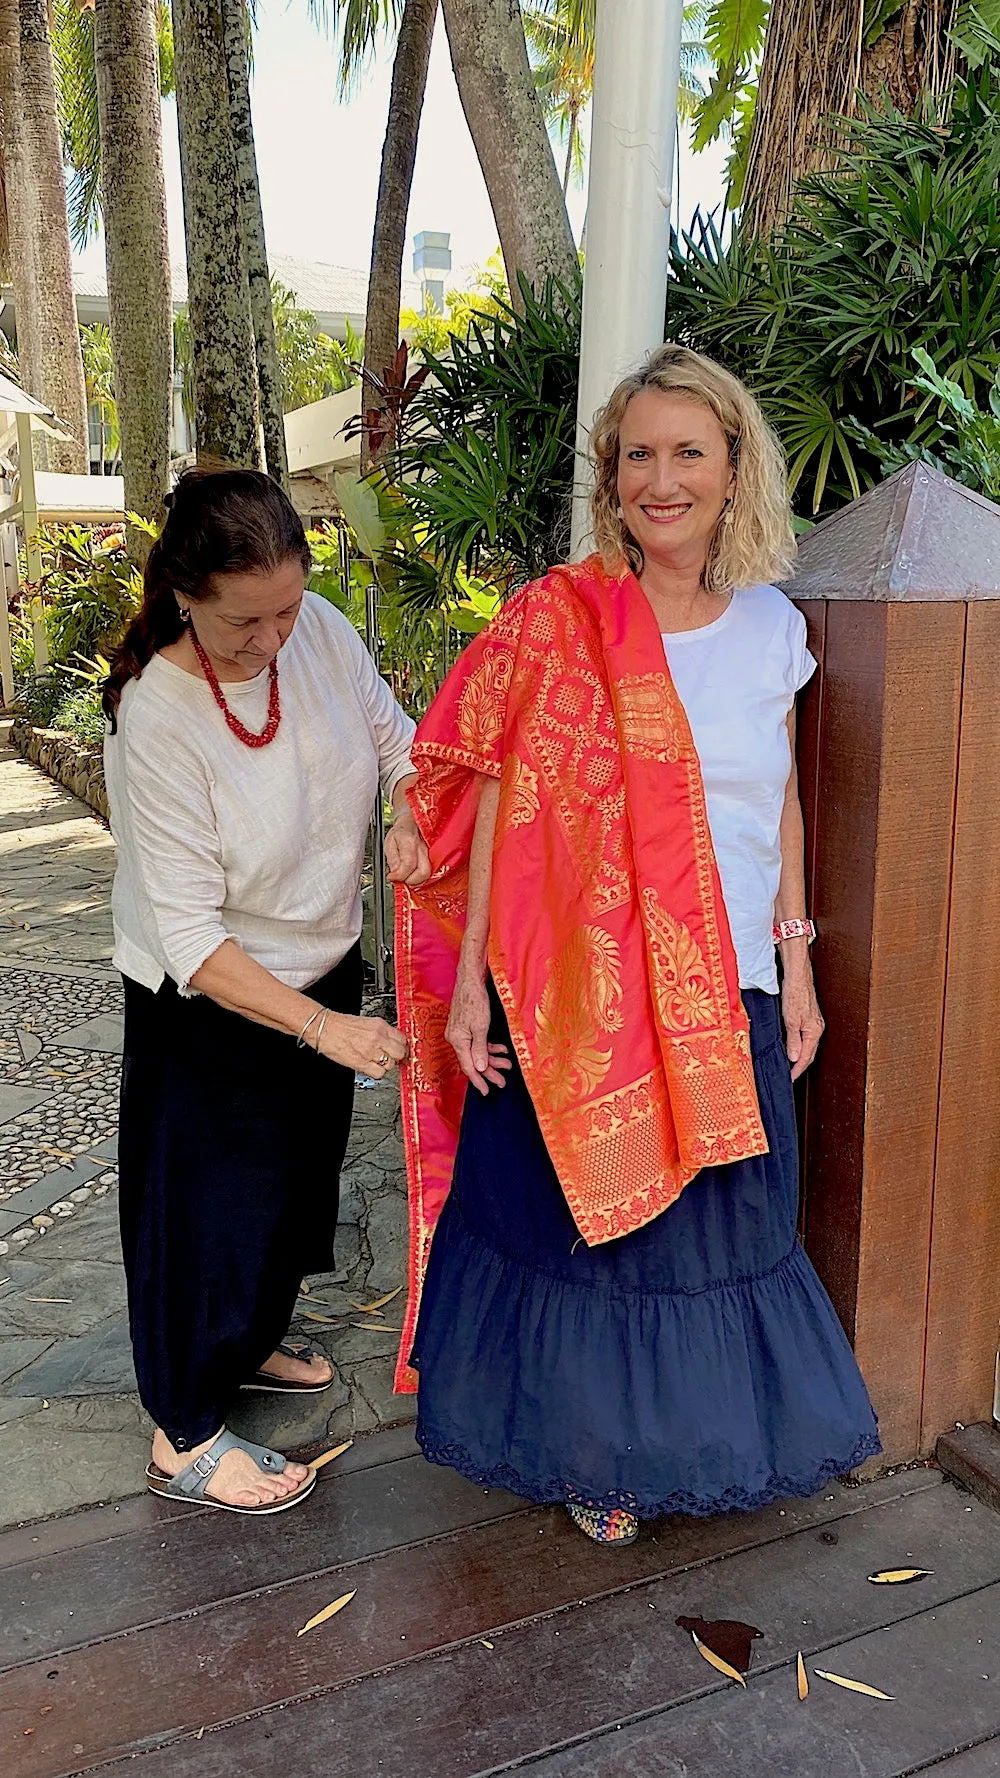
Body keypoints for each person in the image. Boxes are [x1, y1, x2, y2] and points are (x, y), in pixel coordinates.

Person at [394, 344, 880, 1546]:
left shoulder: (774, 626)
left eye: (687, 454)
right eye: (636, 457)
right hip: (574, 992)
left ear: (733, 469)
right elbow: (503, 794)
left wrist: (799, 961)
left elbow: (776, 801)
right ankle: (595, 1454)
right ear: (611, 480)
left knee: (706, 1238)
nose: (660, 481)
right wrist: (470, 996)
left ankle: (691, 1446)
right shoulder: (558, 618)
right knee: (586, 1238)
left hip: (732, 984)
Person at [103, 469, 429, 1516]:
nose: (273, 637)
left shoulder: (319, 630)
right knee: (202, 1213)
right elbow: (192, 937)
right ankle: (182, 1427)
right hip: (209, 998)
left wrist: (411, 809)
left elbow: (396, 741)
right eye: (245, 619)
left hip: (319, 959)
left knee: (288, 1195)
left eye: (286, 606)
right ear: (185, 594)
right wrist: (328, 1029)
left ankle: (244, 1342)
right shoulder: (160, 711)